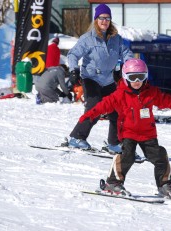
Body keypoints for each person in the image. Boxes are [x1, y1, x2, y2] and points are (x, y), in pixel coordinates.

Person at [78, 58, 171, 198]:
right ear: (125, 78)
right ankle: (113, 183)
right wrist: (89, 116)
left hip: (148, 133)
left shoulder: (151, 92)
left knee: (160, 156)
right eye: (133, 77)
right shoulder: (120, 94)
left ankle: (164, 185)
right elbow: (103, 105)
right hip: (128, 132)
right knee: (127, 156)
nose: (137, 81)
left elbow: (170, 102)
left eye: (141, 77)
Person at [67, 4, 134, 152]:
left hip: (108, 80)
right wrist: (73, 70)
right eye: (102, 18)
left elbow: (126, 53)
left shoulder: (116, 39)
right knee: (95, 107)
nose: (105, 21)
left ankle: (114, 143)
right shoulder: (88, 39)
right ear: (96, 20)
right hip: (91, 78)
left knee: (117, 110)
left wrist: (130, 66)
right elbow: (73, 54)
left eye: (107, 18)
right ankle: (77, 137)